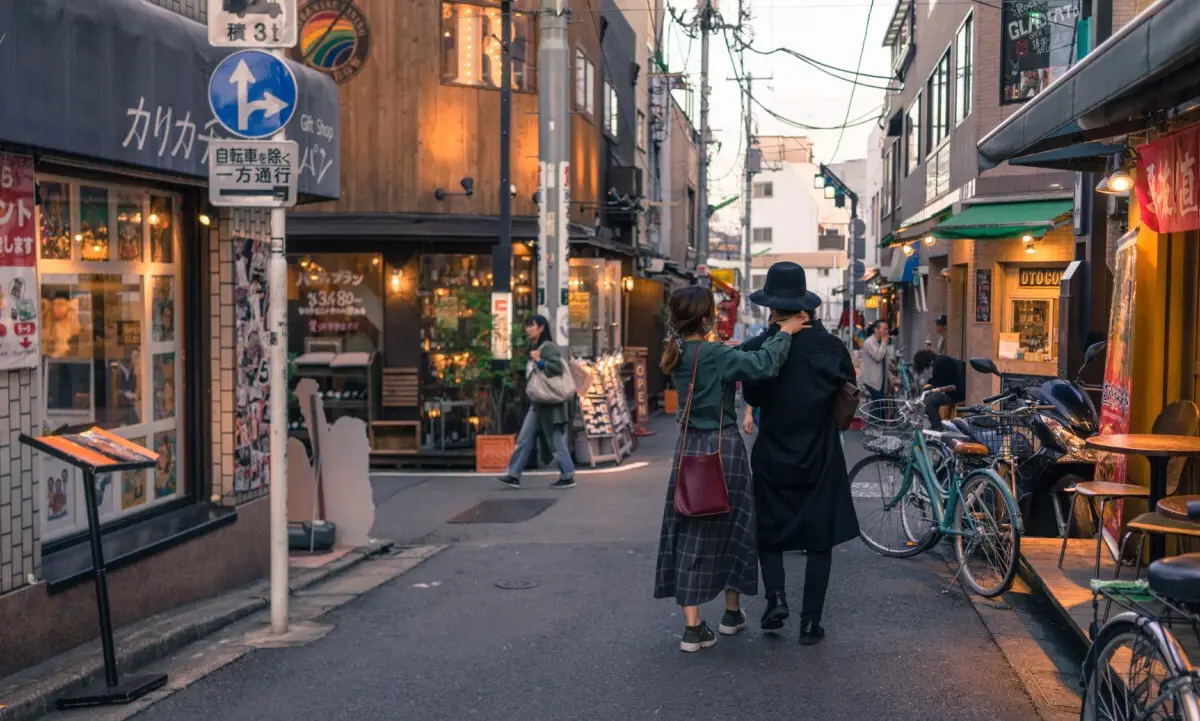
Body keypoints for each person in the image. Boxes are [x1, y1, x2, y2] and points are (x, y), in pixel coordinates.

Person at [653, 286, 808, 653]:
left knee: (689, 528)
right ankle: (731, 613)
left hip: (688, 448)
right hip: (724, 449)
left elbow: (724, 359)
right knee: (735, 528)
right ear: (708, 318)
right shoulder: (715, 353)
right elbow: (763, 366)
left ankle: (692, 629)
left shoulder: (676, 353)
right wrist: (784, 332)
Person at [740, 262, 860, 645]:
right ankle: (810, 623)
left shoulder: (762, 347)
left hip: (774, 449)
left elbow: (753, 396)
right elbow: (847, 392)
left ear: (773, 310)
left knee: (769, 529)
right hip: (820, 452)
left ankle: (776, 599)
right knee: (818, 539)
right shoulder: (831, 347)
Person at [495, 315, 577, 490]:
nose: (527, 329)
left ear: (541, 328)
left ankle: (568, 474)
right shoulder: (536, 347)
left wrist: (539, 361)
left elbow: (556, 368)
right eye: (527, 326)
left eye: (531, 325)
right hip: (539, 402)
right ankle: (513, 474)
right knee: (525, 438)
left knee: (554, 439)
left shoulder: (547, 348)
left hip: (549, 404)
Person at [912, 349, 966, 428]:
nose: (926, 369)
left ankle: (937, 427)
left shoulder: (940, 363)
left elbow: (939, 385)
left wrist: (930, 385)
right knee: (930, 399)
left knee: (927, 402)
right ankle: (936, 424)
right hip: (955, 391)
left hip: (954, 393)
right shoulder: (941, 360)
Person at [860, 320, 889, 402]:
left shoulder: (880, 342)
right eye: (884, 329)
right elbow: (878, 357)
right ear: (876, 330)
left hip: (881, 381)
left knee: (876, 410)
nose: (887, 332)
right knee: (879, 408)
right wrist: (884, 343)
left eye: (887, 329)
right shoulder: (869, 342)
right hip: (873, 382)